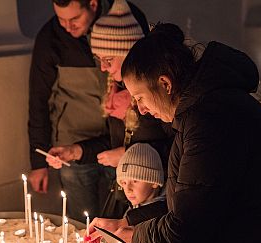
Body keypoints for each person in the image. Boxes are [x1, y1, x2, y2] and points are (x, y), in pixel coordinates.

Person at [92, 23, 261, 243]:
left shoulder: (211, 119)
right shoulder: (200, 113)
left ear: (165, 84)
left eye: (140, 98)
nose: (141, 109)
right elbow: (195, 198)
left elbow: (190, 226)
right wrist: (129, 222)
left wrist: (135, 238)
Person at [45, 0, 173, 218]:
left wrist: (127, 157)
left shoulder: (152, 95)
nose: (103, 67)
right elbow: (116, 140)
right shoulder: (116, 91)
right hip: (132, 198)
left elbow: (173, 147)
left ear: (129, 55)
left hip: (158, 203)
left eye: (108, 60)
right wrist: (76, 151)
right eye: (99, 60)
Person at [27, 0, 148, 222]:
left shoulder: (126, 25)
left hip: (124, 141)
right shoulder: (51, 36)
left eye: (74, 19)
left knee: (127, 218)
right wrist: (38, 159)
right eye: (61, 19)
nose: (67, 27)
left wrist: (128, 147)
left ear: (92, 4)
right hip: (75, 141)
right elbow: (38, 100)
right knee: (83, 223)